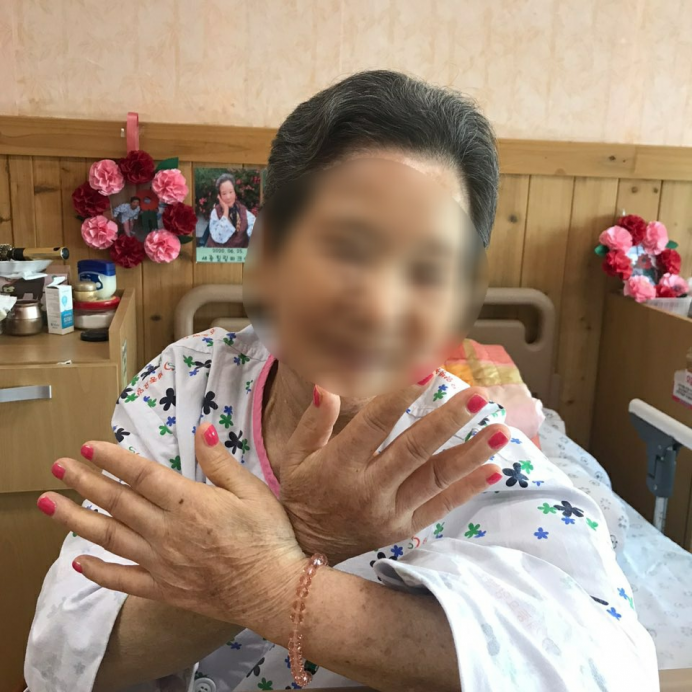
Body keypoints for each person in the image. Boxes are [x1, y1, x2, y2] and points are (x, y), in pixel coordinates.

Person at [26, 71, 658, 692]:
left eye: (428, 270)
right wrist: (301, 533)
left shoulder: (480, 461)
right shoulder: (188, 384)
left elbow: (609, 670)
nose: (378, 305)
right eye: (345, 248)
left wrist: (274, 578)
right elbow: (62, 658)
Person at [204, 174, 256, 248]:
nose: (228, 197)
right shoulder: (215, 212)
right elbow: (218, 237)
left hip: (238, 254)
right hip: (217, 253)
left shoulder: (243, 211)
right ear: (219, 196)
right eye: (224, 193)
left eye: (231, 192)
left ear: (235, 193)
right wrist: (226, 211)